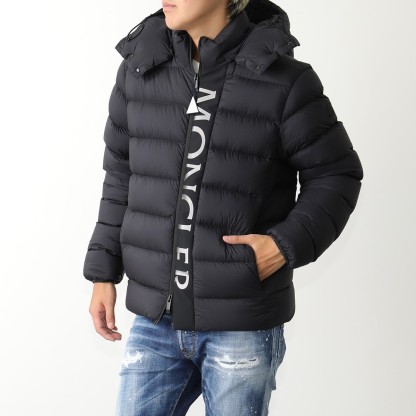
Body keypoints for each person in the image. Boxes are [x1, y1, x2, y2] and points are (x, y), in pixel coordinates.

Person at [83, 0, 364, 414]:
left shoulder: (285, 80)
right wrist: (103, 273)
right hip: (155, 319)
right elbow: (121, 176)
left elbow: (336, 175)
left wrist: (283, 245)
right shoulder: (140, 68)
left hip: (241, 322)